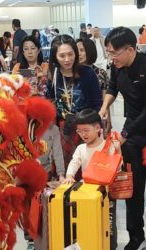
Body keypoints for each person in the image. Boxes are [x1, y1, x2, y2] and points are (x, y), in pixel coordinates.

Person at [99, 26, 146, 250]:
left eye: (114, 53)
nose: (111, 58)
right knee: (132, 190)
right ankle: (136, 238)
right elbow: (112, 87)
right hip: (133, 138)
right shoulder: (117, 66)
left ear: (130, 49)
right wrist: (103, 108)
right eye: (108, 53)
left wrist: (125, 134)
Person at [46, 34, 102, 175]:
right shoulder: (53, 75)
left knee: (89, 168)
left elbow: (97, 102)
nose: (67, 59)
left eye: (71, 54)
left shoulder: (87, 73)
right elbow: (50, 100)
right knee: (65, 170)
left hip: (86, 127)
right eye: (62, 55)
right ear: (55, 57)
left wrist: (95, 126)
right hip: (63, 130)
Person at [63, 108, 118, 250]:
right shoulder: (81, 148)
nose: (82, 134)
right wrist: (69, 175)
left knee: (108, 224)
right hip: (86, 193)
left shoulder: (108, 145)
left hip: (106, 194)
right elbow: (74, 162)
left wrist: (118, 151)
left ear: (98, 128)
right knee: (87, 223)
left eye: (86, 130)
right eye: (79, 131)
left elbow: (118, 167)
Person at [76, 37, 112, 133]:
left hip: (96, 115)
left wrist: (108, 119)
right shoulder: (73, 73)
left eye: (82, 50)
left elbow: (105, 99)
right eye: (76, 50)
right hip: (79, 118)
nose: (78, 53)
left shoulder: (100, 73)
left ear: (89, 51)